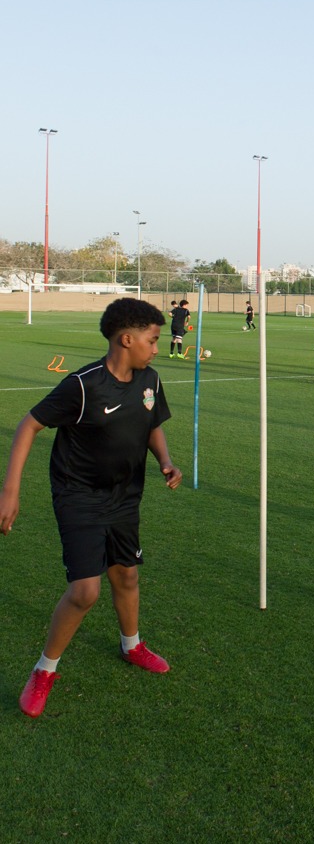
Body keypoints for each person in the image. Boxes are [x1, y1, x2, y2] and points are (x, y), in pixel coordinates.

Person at [0, 298, 182, 717]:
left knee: (127, 574)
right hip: (78, 494)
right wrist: (10, 490)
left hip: (125, 495)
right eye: (153, 340)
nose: (157, 349)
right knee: (85, 591)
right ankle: (43, 671)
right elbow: (29, 425)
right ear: (126, 339)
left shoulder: (150, 379)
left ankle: (131, 646)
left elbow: (151, 424)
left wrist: (166, 461)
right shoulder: (83, 385)